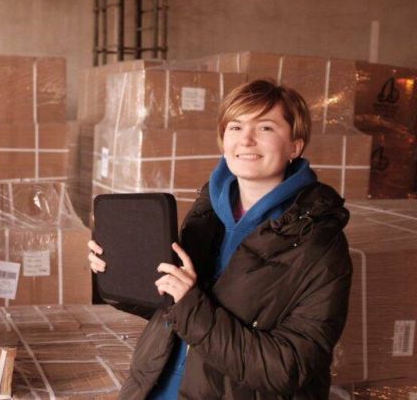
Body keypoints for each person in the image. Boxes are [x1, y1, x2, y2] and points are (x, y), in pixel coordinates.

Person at [88, 80, 352, 399]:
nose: (246, 139)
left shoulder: (319, 244)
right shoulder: (207, 214)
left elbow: (289, 368)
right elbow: (168, 308)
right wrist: (119, 271)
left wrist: (189, 303)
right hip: (153, 389)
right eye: (235, 127)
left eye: (265, 127)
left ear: (295, 146)